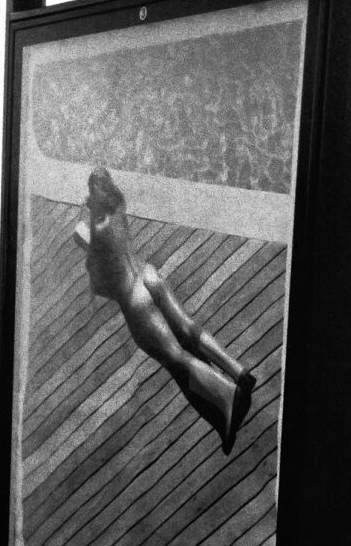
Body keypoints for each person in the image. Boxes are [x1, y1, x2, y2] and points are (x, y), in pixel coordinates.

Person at [74, 166, 256, 454]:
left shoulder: (97, 228)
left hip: (133, 299)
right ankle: (238, 371)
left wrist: (83, 214)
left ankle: (229, 396)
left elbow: (88, 255)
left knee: (176, 357)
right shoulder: (120, 207)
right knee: (187, 326)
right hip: (148, 274)